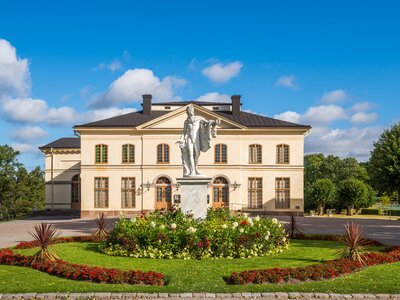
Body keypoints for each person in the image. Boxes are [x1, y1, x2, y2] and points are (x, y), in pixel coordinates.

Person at [177, 105, 220, 176]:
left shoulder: (199, 118)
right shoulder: (186, 121)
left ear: (193, 111)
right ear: (187, 112)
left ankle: (196, 169)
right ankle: (192, 171)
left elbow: (208, 123)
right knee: (190, 154)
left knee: (196, 155)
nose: (190, 112)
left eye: (191, 111)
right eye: (188, 111)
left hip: (196, 138)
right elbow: (184, 132)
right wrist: (181, 139)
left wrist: (215, 122)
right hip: (190, 138)